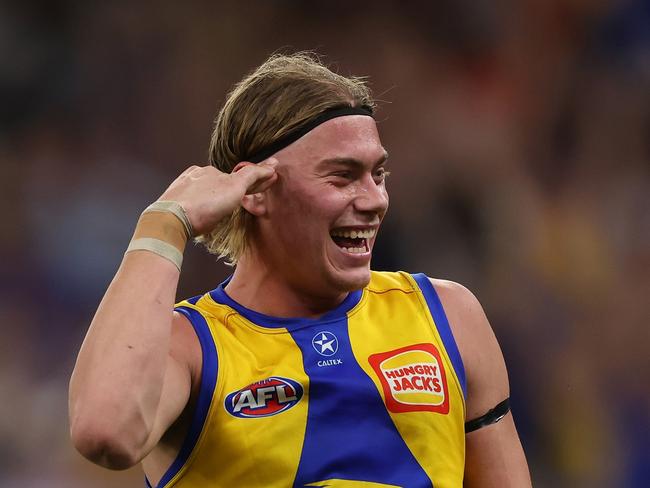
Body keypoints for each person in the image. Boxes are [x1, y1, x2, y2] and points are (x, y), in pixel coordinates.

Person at [69, 53, 531, 488]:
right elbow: (105, 432)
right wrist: (165, 225)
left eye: (378, 174)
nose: (374, 200)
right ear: (255, 190)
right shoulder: (190, 348)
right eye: (342, 176)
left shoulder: (447, 315)